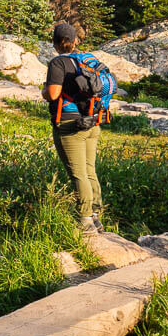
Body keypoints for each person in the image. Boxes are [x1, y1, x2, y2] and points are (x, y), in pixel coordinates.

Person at [42, 23, 103, 233]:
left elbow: (53, 94)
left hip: (69, 124)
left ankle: (85, 221)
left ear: (55, 43)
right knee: (90, 170)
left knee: (78, 174)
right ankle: (96, 216)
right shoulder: (88, 61)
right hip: (92, 121)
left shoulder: (58, 63)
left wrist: (43, 91)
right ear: (76, 40)